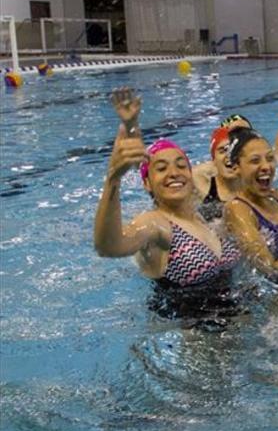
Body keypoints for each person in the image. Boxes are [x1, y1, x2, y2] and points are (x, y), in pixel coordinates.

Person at [93, 89, 241, 298]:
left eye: (181, 166)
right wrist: (113, 179)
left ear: (191, 176)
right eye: (161, 168)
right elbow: (109, 247)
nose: (173, 173)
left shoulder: (203, 219)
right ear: (147, 183)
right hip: (188, 328)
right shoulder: (156, 224)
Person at [222, 128, 278, 274]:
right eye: (255, 161)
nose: (266, 167)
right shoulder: (237, 209)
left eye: (270, 158)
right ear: (236, 168)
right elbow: (267, 266)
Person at [191, 126, 242, 222]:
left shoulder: (253, 187)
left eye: (234, 150)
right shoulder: (203, 186)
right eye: (223, 150)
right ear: (213, 159)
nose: (229, 155)